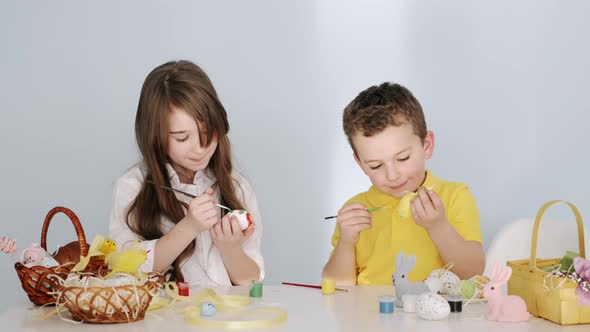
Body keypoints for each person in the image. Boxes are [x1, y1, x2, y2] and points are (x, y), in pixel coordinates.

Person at [110, 60, 263, 286]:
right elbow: (126, 269)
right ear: (155, 135)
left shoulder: (236, 188)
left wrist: (230, 248)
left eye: (207, 132)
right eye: (182, 138)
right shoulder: (132, 186)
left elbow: (252, 283)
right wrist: (189, 227)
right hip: (163, 321)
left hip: (222, 319)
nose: (199, 148)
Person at [322, 82, 484, 285]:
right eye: (376, 165)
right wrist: (346, 242)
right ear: (360, 164)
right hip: (368, 315)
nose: (392, 175)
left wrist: (438, 226)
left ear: (427, 145)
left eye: (403, 158)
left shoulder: (454, 196)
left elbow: (472, 271)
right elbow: (335, 287)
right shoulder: (356, 210)